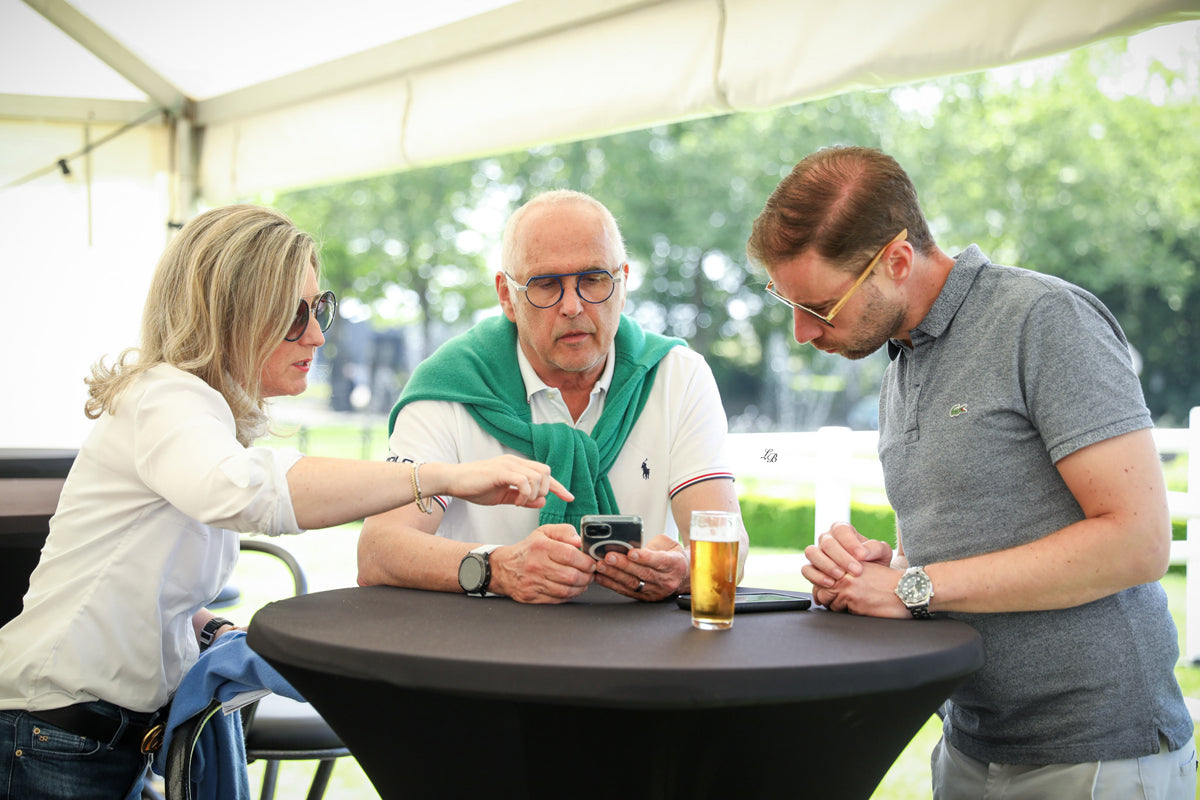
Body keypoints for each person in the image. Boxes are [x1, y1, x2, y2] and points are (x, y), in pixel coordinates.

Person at [0, 204, 571, 800]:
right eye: (294, 315)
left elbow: (147, 587)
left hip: (93, 740)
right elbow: (251, 490)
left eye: (318, 309)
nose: (318, 335)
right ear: (228, 314)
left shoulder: (196, 415)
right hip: (50, 737)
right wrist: (442, 477)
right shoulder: (163, 396)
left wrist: (219, 632)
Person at [746, 145, 1196, 799]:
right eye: (789, 303)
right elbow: (964, 551)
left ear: (897, 261)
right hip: (970, 742)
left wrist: (912, 588)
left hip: (1096, 754)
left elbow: (1138, 541)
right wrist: (888, 571)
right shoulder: (901, 361)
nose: (801, 333)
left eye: (819, 306)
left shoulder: (1043, 319)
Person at [357, 189, 747, 604]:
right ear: (506, 296)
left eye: (593, 279)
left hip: (641, 640)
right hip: (483, 640)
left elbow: (729, 548)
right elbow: (378, 551)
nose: (573, 306)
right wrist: (499, 569)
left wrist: (685, 570)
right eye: (546, 285)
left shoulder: (676, 375)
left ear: (623, 283)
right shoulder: (449, 385)